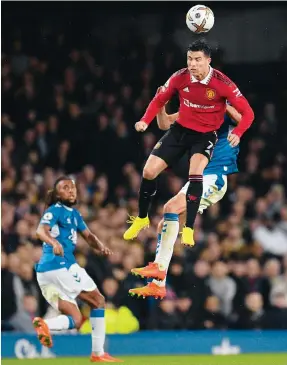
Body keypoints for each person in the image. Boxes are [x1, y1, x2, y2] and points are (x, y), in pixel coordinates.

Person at [123, 39, 254, 246]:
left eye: (197, 60)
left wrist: (230, 118)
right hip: (185, 138)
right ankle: (157, 266)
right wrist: (158, 108)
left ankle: (190, 230)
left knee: (176, 205)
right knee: (165, 215)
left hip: (214, 170)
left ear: (208, 61)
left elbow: (244, 117)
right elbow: (165, 124)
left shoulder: (223, 95)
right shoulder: (187, 91)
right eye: (189, 59)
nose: (192, 64)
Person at [128, 101, 241, 299]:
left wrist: (221, 102)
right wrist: (160, 104)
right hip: (198, 178)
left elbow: (243, 120)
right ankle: (158, 284)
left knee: (170, 207)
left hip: (214, 176)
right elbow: (164, 124)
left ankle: (159, 270)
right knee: (164, 224)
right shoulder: (197, 112)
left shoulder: (224, 113)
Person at [33, 177, 122, 363]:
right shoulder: (55, 210)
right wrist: (54, 242)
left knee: (75, 318)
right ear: (57, 195)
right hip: (60, 266)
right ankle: (98, 354)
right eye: (65, 188)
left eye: (73, 187)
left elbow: (88, 236)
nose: (71, 190)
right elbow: (40, 231)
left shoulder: (74, 214)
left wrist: (100, 246)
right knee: (98, 301)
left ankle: (45, 325)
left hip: (46, 273)